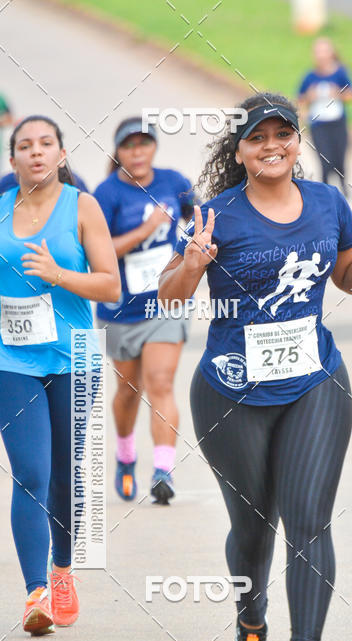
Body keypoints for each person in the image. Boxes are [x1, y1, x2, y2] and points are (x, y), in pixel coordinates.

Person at [158, 93, 352, 641]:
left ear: (297, 142)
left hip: (315, 382)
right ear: (239, 152)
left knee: (309, 520)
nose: (272, 147)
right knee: (254, 528)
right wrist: (192, 263)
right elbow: (169, 298)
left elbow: (350, 281)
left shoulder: (325, 201)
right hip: (231, 393)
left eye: (282, 135)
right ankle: (250, 620)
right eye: (257, 139)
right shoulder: (217, 216)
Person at [0, 115, 120, 635]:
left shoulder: (83, 207)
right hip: (11, 361)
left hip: (73, 357)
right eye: (24, 146)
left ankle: (63, 567)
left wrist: (59, 276)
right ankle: (35, 595)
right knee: (30, 472)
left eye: (46, 144)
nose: (36, 153)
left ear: (62, 154)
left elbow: (111, 287)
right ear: (13, 161)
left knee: (65, 476)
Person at [94, 117, 195, 505]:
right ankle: (125, 455)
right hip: (120, 310)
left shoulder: (173, 181)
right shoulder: (107, 193)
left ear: (154, 147)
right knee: (128, 390)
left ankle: (162, 471)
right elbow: (98, 252)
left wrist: (187, 245)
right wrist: (146, 229)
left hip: (165, 303)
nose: (137, 152)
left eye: (144, 143)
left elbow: (198, 216)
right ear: (118, 152)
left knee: (162, 383)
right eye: (129, 145)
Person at [298, 37, 352, 196]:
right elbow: (299, 99)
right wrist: (309, 98)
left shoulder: (340, 73)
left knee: (339, 158)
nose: (321, 56)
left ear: (332, 53)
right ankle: (325, 192)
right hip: (318, 124)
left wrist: (337, 93)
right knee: (325, 160)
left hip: (337, 122)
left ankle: (343, 186)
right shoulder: (310, 77)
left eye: (324, 51)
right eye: (318, 52)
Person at [0, 168, 89, 194]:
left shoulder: (75, 184)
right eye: (25, 147)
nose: (36, 151)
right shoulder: (6, 184)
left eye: (46, 144)